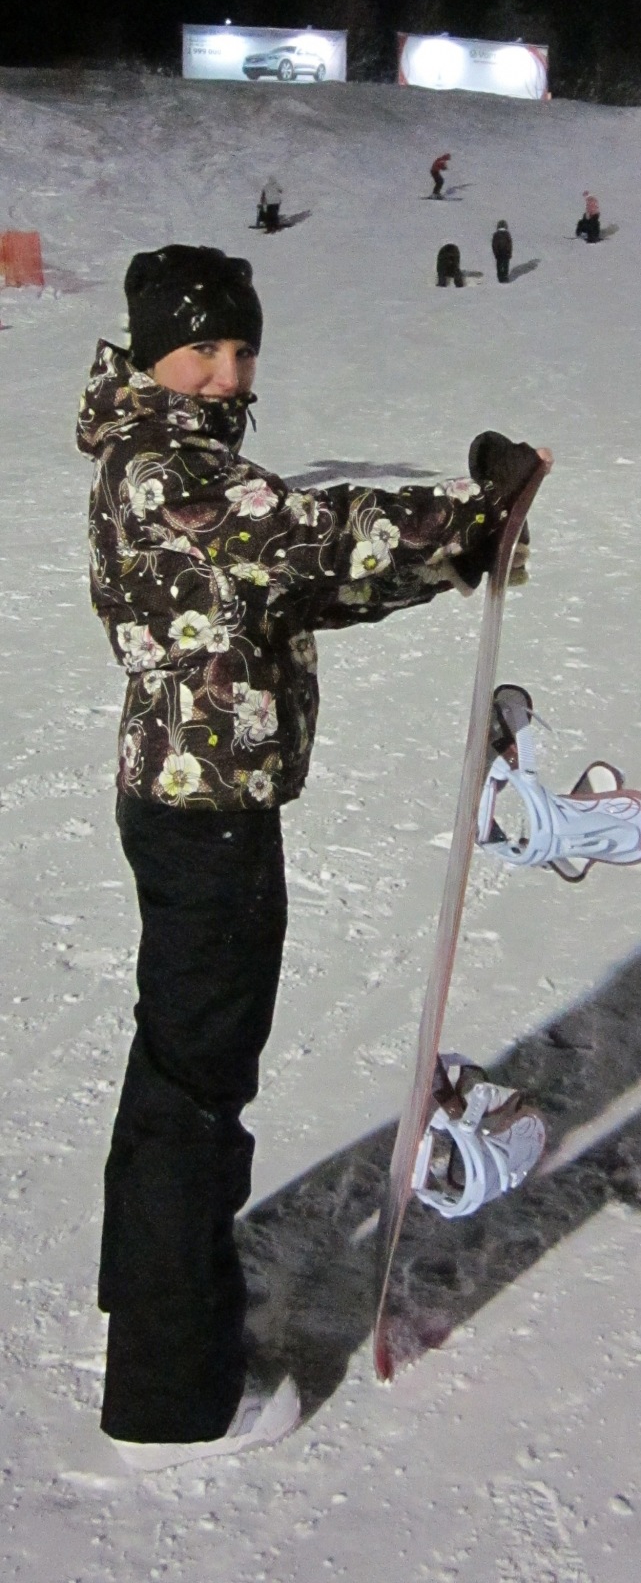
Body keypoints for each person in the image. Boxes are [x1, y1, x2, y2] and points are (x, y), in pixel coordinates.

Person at [76, 242, 547, 1463]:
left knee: (178, 1074)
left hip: (197, 798)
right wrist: (464, 512)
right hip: (205, 815)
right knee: (195, 1090)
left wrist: (447, 555)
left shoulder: (168, 454)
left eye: (241, 348)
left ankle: (149, 1307)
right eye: (203, 347)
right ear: (152, 351)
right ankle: (175, 1395)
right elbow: (308, 534)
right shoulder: (164, 465)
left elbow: (288, 583)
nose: (228, 372)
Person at [491, 219, 513, 283]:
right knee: (505, 264)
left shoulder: (496, 234)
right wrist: (509, 252)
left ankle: (500, 277)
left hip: (499, 252)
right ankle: (505, 276)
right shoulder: (507, 234)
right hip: (506, 252)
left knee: (499, 264)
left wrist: (495, 252)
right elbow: (509, 244)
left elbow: (494, 244)